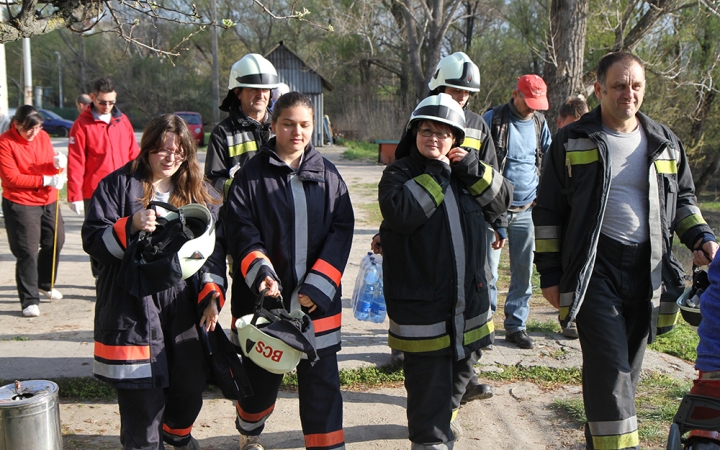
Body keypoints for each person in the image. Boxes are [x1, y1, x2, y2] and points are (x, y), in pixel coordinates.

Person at [533, 51, 718, 448]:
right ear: (599, 89)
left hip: (646, 271)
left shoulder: (666, 143)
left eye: (636, 86)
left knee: (626, 372)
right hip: (593, 269)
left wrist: (702, 238)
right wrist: (549, 273)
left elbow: (682, 202)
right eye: (618, 86)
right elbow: (548, 210)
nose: (627, 94)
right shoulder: (571, 139)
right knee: (610, 368)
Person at [82, 114, 226, 450]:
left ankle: (176, 435)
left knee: (188, 387)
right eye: (161, 150)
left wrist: (211, 295)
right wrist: (129, 224)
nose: (169, 158)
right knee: (141, 401)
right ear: (146, 149)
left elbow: (213, 251)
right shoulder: (117, 185)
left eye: (178, 152)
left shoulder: (199, 192)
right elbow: (92, 240)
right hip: (130, 304)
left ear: (188, 154)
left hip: (182, 306)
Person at [379, 93, 512, 449]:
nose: (433, 138)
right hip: (424, 311)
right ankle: (431, 439)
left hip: (469, 307)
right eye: (426, 130)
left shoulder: (467, 172)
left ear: (456, 138)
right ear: (413, 133)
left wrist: (469, 166)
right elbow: (404, 212)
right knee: (427, 392)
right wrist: (438, 171)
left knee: (460, 376)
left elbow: (503, 200)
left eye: (443, 133)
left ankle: (443, 423)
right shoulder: (399, 173)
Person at [225, 92, 354, 450]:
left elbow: (341, 230)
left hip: (318, 304)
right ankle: (248, 434)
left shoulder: (329, 175)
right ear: (273, 124)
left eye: (304, 125)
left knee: (322, 386)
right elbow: (240, 230)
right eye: (288, 123)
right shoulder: (250, 177)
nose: (296, 132)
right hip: (265, 302)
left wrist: (320, 284)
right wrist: (261, 273)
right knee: (259, 385)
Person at [483, 74, 552, 349]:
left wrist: (544, 194)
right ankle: (484, 326)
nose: (533, 106)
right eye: (529, 100)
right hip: (493, 208)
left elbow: (550, 156)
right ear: (515, 94)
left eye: (538, 102)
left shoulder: (539, 122)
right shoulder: (493, 119)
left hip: (526, 210)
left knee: (523, 272)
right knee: (488, 271)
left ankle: (516, 326)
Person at [68, 77, 139, 279]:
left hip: (123, 188)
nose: (107, 106)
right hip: (95, 191)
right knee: (99, 236)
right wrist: (74, 194)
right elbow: (76, 161)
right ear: (92, 98)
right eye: (102, 102)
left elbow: (133, 153)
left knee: (126, 233)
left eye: (111, 102)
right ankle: (100, 278)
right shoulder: (81, 125)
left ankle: (122, 276)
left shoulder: (122, 121)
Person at [0, 105, 67, 317]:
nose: (34, 133)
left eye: (38, 127)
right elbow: (11, 178)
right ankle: (29, 299)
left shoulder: (43, 137)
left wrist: (58, 165)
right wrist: (44, 179)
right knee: (27, 251)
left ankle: (45, 283)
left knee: (55, 241)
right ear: (17, 124)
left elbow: (49, 165)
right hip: (21, 202)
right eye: (29, 129)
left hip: (48, 199)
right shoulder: (5, 143)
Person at [204, 53, 279, 200]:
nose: (260, 95)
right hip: (240, 217)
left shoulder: (282, 126)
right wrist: (243, 189)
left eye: (265, 90)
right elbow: (212, 183)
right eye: (253, 89)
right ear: (238, 92)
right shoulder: (222, 133)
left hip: (278, 215)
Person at [553, 94, 589, 340]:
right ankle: (568, 316)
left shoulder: (592, 138)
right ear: (560, 123)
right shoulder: (558, 143)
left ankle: (577, 317)